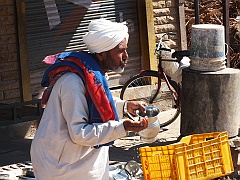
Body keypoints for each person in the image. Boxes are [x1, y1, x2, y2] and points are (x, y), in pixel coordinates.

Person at [30, 19, 148, 180]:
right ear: (101, 54)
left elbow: (97, 102)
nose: (126, 57)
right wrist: (123, 127)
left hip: (80, 163)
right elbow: (80, 134)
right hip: (60, 167)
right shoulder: (73, 83)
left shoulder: (92, 75)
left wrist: (124, 106)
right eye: (121, 51)